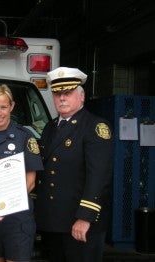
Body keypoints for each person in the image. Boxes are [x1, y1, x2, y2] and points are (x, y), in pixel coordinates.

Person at [35, 66, 114, 262]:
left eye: (68, 93)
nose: (61, 98)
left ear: (82, 96)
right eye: (57, 94)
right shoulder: (50, 127)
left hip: (78, 222)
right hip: (52, 222)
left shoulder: (95, 127)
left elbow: (98, 177)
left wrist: (85, 217)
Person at [0, 84, 44, 262]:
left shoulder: (25, 137)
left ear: (11, 107)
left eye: (3, 107)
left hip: (16, 219)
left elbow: (31, 182)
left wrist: (4, 206)